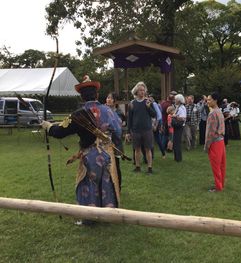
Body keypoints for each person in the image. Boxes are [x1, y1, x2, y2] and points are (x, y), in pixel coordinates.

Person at [41, 75, 122, 225]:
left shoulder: (78, 114)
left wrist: (48, 126)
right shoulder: (109, 111)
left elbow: (60, 131)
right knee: (106, 183)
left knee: (88, 184)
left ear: (82, 97)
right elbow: (118, 130)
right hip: (107, 154)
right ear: (97, 95)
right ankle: (108, 215)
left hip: (89, 155)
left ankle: (89, 219)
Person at [126, 81, 156, 174]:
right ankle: (137, 167)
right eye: (140, 90)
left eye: (143, 90)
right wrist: (128, 131)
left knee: (148, 149)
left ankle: (149, 168)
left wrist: (148, 107)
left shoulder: (148, 101)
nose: (142, 92)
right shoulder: (132, 103)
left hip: (147, 129)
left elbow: (154, 114)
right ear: (136, 91)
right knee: (137, 149)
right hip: (136, 130)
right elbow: (129, 118)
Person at [205, 92, 226, 192]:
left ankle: (218, 187)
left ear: (215, 100)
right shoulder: (219, 111)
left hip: (215, 143)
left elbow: (210, 132)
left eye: (209, 99)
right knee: (221, 165)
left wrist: (206, 146)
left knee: (216, 166)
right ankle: (221, 184)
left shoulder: (213, 113)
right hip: (221, 141)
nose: (207, 101)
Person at [106, 92, 124, 191]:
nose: (108, 99)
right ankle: (109, 186)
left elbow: (118, 129)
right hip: (105, 143)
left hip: (115, 143)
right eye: (107, 97)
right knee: (106, 166)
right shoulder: (104, 110)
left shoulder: (119, 113)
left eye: (110, 98)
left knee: (116, 166)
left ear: (115, 101)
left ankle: (118, 187)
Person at [172, 94, 186, 162]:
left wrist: (175, 116)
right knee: (175, 142)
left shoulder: (181, 108)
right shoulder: (178, 107)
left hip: (179, 126)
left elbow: (183, 118)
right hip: (177, 126)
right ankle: (176, 157)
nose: (175, 100)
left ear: (179, 100)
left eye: (176, 99)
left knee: (177, 142)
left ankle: (178, 158)